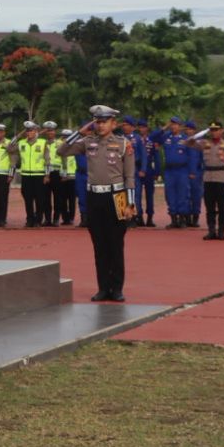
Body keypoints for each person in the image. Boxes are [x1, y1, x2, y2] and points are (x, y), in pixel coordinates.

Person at [60, 106, 136, 301]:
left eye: (104, 122)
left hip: (117, 197)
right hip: (94, 196)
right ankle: (103, 288)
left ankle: (116, 289)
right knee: (99, 245)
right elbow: (62, 150)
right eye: (97, 122)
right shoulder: (87, 142)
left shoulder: (123, 143)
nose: (100, 125)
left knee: (116, 244)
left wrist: (130, 204)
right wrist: (79, 132)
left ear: (113, 123)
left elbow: (130, 176)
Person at [192, 122, 224, 240]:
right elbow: (189, 142)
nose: (214, 132)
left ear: (221, 131)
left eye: (216, 130)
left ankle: (221, 231)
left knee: (222, 207)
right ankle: (211, 231)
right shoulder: (204, 143)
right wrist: (202, 133)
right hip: (208, 178)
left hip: (221, 178)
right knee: (209, 207)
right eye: (211, 130)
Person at [12, 121, 49, 227]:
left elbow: (47, 160)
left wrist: (47, 175)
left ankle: (38, 220)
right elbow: (9, 147)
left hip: (39, 175)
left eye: (31, 131)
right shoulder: (21, 143)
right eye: (27, 131)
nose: (29, 133)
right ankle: (29, 219)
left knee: (39, 199)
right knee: (27, 199)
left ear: (36, 131)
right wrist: (18, 135)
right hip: (26, 175)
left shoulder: (42, 142)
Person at [160, 117, 191, 228]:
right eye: (172, 124)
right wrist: (164, 128)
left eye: (176, 124)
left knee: (182, 195)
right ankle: (173, 219)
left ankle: (182, 219)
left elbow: (192, 156)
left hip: (182, 170)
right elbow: (153, 137)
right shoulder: (166, 137)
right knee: (170, 195)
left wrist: (192, 171)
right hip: (169, 171)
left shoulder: (186, 139)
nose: (173, 126)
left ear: (180, 126)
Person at [133, 120, 159, 227]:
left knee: (149, 195)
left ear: (147, 128)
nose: (141, 129)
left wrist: (157, 171)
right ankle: (139, 217)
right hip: (137, 168)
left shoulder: (151, 141)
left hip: (148, 170)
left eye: (143, 127)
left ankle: (150, 218)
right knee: (137, 194)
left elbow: (156, 157)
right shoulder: (135, 140)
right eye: (140, 127)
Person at [52, 130, 80, 225]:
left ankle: (71, 218)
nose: (65, 138)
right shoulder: (60, 147)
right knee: (62, 199)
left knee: (71, 199)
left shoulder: (76, 147)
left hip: (72, 177)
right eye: (64, 136)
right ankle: (65, 218)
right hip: (62, 176)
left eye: (67, 136)